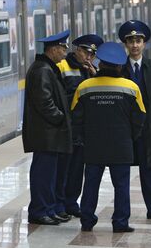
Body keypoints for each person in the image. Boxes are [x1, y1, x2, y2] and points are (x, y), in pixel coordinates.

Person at [71, 42, 145, 233]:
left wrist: (83, 138)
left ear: (100, 64)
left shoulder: (85, 86)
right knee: (121, 186)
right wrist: (130, 137)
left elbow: (76, 118)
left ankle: (87, 220)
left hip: (94, 146)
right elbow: (140, 118)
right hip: (121, 146)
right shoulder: (131, 87)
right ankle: (120, 222)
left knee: (91, 184)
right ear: (120, 66)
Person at [118, 20, 151, 222]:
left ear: (144, 43)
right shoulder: (119, 69)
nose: (135, 45)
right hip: (125, 130)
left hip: (148, 129)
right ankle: (123, 214)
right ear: (126, 44)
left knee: (148, 171)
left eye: (138, 41)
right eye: (131, 41)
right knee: (121, 173)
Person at [23, 29, 73, 225]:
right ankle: (39, 211)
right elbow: (45, 102)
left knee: (49, 175)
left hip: (49, 134)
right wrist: (60, 118)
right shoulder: (42, 70)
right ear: (53, 49)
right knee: (43, 175)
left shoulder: (47, 67)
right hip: (46, 134)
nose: (65, 52)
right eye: (63, 48)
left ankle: (48, 208)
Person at [56, 34, 103, 218]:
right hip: (67, 126)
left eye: (92, 54)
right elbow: (60, 96)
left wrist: (95, 76)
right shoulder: (62, 67)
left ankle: (71, 202)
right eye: (86, 53)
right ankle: (59, 203)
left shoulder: (91, 70)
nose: (89, 57)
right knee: (63, 168)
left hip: (83, 129)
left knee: (77, 169)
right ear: (77, 51)